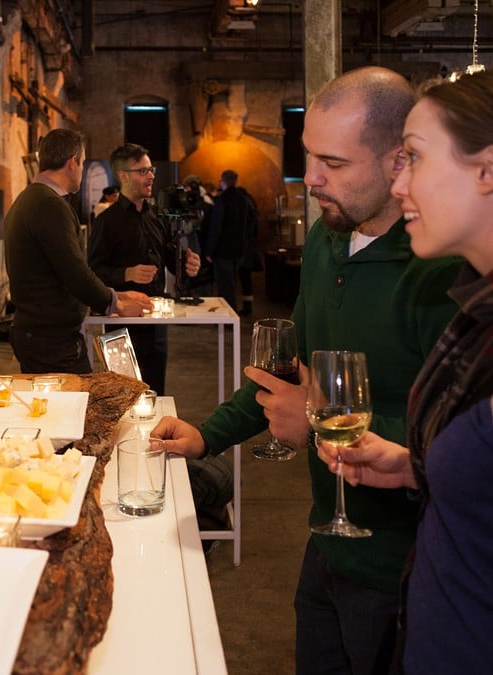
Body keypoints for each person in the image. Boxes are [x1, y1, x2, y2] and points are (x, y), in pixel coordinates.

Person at [151, 66, 463, 673]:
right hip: (326, 544)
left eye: (335, 164)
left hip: (402, 565)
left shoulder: (440, 268)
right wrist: (208, 433)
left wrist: (319, 422)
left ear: (401, 161)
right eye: (309, 156)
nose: (311, 179)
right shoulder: (326, 241)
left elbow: (461, 441)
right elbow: (283, 365)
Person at [315, 70, 493, 673]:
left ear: (488, 171)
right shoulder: (478, 314)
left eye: (413, 159)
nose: (401, 184)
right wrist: (415, 465)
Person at [4, 129, 151, 374]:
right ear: (73, 162)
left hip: (38, 333)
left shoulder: (30, 198)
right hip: (50, 338)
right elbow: (74, 272)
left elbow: (57, 270)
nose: (82, 171)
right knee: (74, 408)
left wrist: (116, 294)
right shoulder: (50, 204)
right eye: (82, 163)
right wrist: (116, 305)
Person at [87, 143, 200, 394]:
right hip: (121, 323)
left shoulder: (157, 217)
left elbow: (171, 261)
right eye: (142, 171)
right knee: (122, 394)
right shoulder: (107, 222)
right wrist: (126, 273)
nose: (150, 176)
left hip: (156, 321)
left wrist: (187, 263)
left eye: (151, 170)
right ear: (123, 176)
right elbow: (92, 271)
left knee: (155, 391)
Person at [204, 169, 250, 310]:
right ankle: (231, 315)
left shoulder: (222, 199)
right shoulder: (243, 199)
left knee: (225, 288)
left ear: (223, 182)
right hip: (238, 249)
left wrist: (209, 251)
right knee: (232, 284)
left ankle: (227, 318)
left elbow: (216, 227)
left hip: (223, 251)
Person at [236, 186, 261, 316]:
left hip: (243, 247)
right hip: (249, 245)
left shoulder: (243, 204)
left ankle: (246, 306)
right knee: (246, 278)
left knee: (243, 276)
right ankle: (247, 305)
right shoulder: (251, 202)